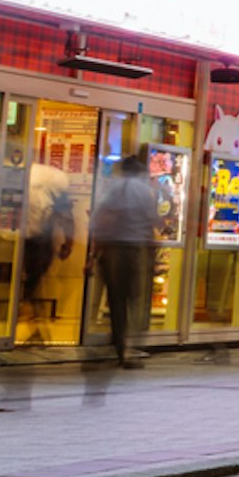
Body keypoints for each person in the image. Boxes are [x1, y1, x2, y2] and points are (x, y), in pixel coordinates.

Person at [86, 146, 157, 367]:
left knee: (116, 300)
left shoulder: (110, 189)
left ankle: (119, 347)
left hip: (110, 251)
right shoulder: (144, 191)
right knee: (134, 299)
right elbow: (151, 222)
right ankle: (130, 346)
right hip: (133, 251)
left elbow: (98, 222)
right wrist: (152, 251)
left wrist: (92, 256)